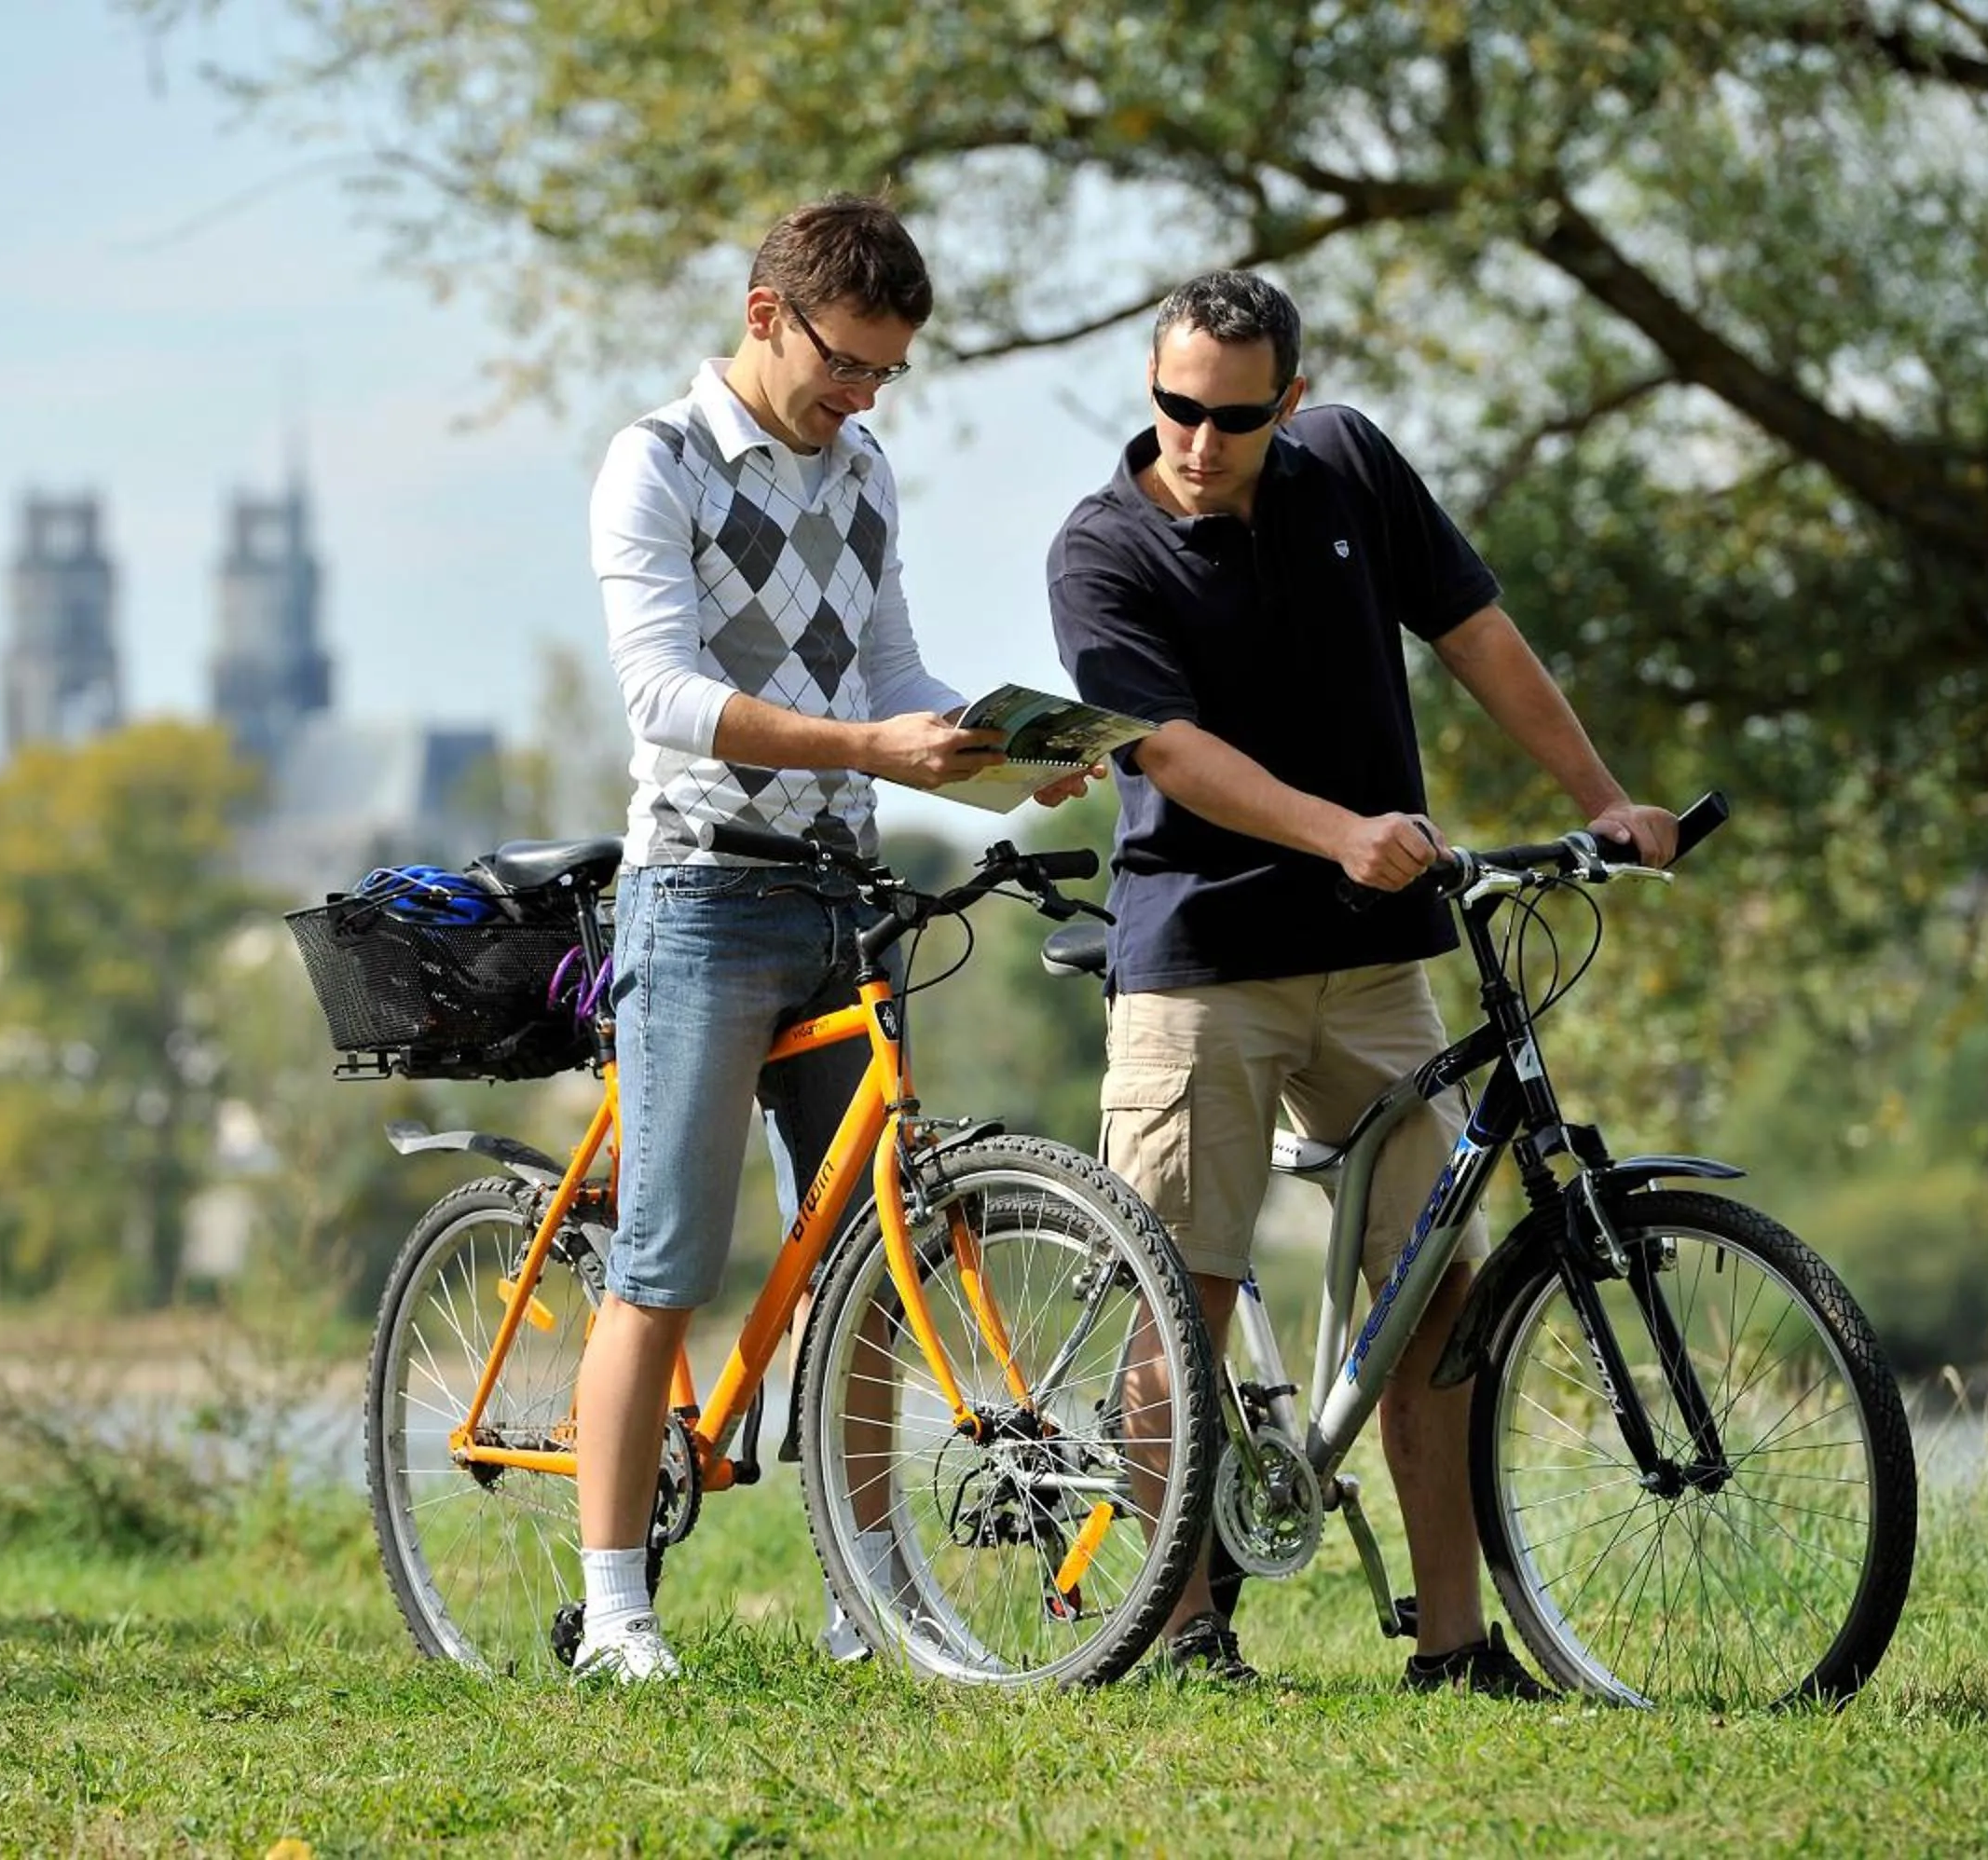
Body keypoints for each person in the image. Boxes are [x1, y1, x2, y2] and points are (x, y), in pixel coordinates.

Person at [1046, 269, 1678, 1695]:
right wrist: (1342, 832)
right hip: (1202, 965)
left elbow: (1476, 636)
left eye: (1233, 415)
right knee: (1181, 1292)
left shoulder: (1351, 467)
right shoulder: (1100, 551)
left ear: (1296, 400)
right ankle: (1187, 1628)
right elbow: (1172, 755)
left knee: (1432, 1300)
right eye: (1172, 408)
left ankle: (1455, 1646)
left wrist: (1604, 797)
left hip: (1381, 965)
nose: (1196, 442)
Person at [575, 194, 1089, 1684]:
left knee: (871, 1258)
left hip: (841, 896)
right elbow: (662, 694)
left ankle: (865, 1599)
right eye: (845, 364)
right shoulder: (655, 462)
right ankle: (617, 1613)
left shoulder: (862, 473)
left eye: (885, 374)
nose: (861, 397)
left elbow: (895, 676)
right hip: (699, 895)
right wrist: (870, 745)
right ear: (765, 317)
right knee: (666, 1257)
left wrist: (1006, 752)